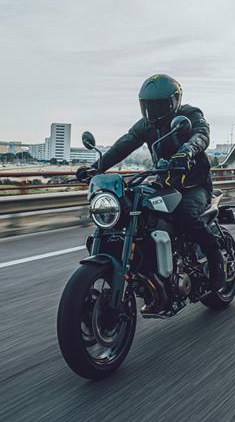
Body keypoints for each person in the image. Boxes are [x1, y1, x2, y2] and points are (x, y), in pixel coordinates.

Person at [76, 74, 225, 290]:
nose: (152, 110)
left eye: (158, 104)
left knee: (185, 215)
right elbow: (123, 145)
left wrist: (187, 151)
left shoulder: (190, 115)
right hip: (165, 183)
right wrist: (95, 168)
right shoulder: (146, 125)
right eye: (148, 105)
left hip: (195, 185)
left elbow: (201, 135)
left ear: (174, 101)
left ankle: (216, 259)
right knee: (136, 211)